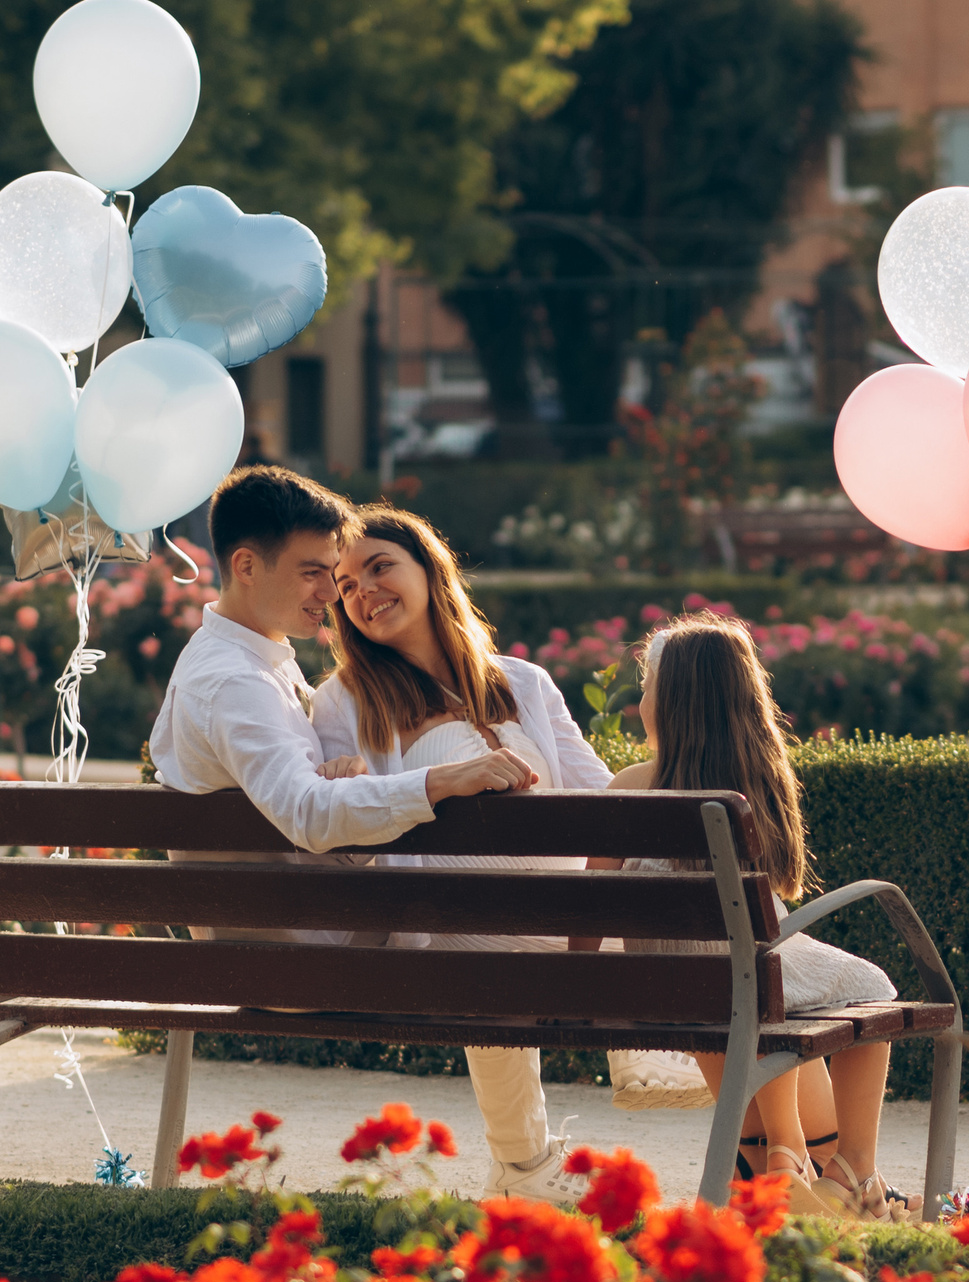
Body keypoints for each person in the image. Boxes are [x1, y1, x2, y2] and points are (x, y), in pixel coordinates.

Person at [310, 507, 707, 1202]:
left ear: (431, 571)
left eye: (379, 567)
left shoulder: (522, 683)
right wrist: (353, 781)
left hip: (542, 917)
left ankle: (524, 1167)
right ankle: (632, 1060)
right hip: (442, 917)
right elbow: (346, 822)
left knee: (626, 866)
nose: (363, 591)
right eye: (345, 584)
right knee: (501, 911)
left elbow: (599, 802)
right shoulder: (341, 702)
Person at [587, 612, 902, 1221]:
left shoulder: (630, 784)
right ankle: (851, 1168)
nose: (641, 701)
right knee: (871, 986)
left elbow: (592, 902)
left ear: (673, 703)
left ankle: (775, 1165)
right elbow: (775, 896)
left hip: (670, 978)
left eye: (647, 687)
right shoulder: (752, 791)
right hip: (743, 973)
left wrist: (581, 974)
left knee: (753, 979)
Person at [147, 467, 538, 924]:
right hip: (306, 964)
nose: (332, 594)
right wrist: (444, 780)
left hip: (315, 944)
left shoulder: (255, 659)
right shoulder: (233, 679)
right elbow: (308, 813)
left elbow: (305, 799)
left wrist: (344, 774)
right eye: (313, 573)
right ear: (246, 567)